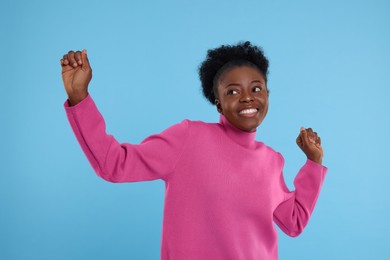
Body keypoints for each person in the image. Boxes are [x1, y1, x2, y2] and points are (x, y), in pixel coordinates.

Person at [61, 41, 327, 260]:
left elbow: (293, 222)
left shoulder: (272, 160)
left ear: (267, 95)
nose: (248, 97)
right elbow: (114, 163)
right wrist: (79, 98)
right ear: (218, 104)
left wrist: (313, 163)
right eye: (233, 92)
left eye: (256, 88)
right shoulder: (189, 138)